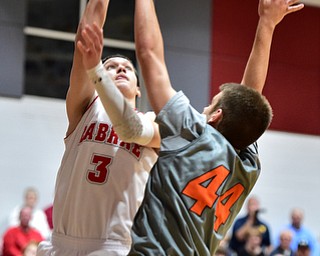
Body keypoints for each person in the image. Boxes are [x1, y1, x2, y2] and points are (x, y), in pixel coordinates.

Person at [127, 0, 304, 255]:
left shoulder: (194, 133)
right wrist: (266, 24)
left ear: (215, 116)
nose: (204, 108)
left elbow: (148, 53)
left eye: (210, 105)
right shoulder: (248, 165)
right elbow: (248, 101)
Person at [36, 0, 160, 255]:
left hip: (114, 246)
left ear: (138, 88)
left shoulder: (153, 122)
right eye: (111, 67)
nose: (121, 69)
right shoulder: (86, 107)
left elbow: (135, 129)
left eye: (127, 68)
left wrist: (99, 69)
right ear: (98, 78)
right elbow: (84, 41)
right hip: (61, 243)